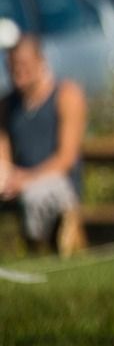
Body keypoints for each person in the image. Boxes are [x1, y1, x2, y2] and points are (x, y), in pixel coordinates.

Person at [0, 37, 86, 256]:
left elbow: (66, 159)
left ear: (40, 61)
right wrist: (7, 177)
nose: (18, 71)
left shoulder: (66, 95)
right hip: (20, 180)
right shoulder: (8, 105)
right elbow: (3, 155)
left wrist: (25, 179)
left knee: (34, 196)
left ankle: (39, 253)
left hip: (60, 183)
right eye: (13, 66)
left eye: (24, 65)